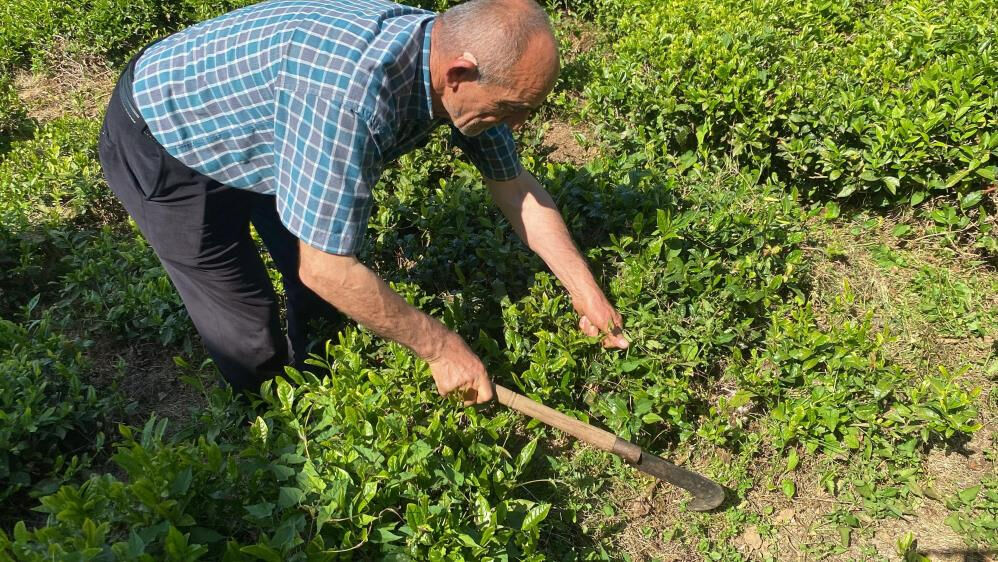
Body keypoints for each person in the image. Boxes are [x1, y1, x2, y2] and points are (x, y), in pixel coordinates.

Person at [98, 0, 628, 406]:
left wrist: (586, 291)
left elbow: (515, 189)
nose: (516, 126)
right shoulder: (352, 99)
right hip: (166, 135)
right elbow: (327, 268)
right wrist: (441, 349)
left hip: (271, 124)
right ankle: (272, 432)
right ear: (459, 74)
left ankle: (321, 369)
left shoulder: (450, 58)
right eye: (511, 108)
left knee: (324, 295)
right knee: (249, 334)